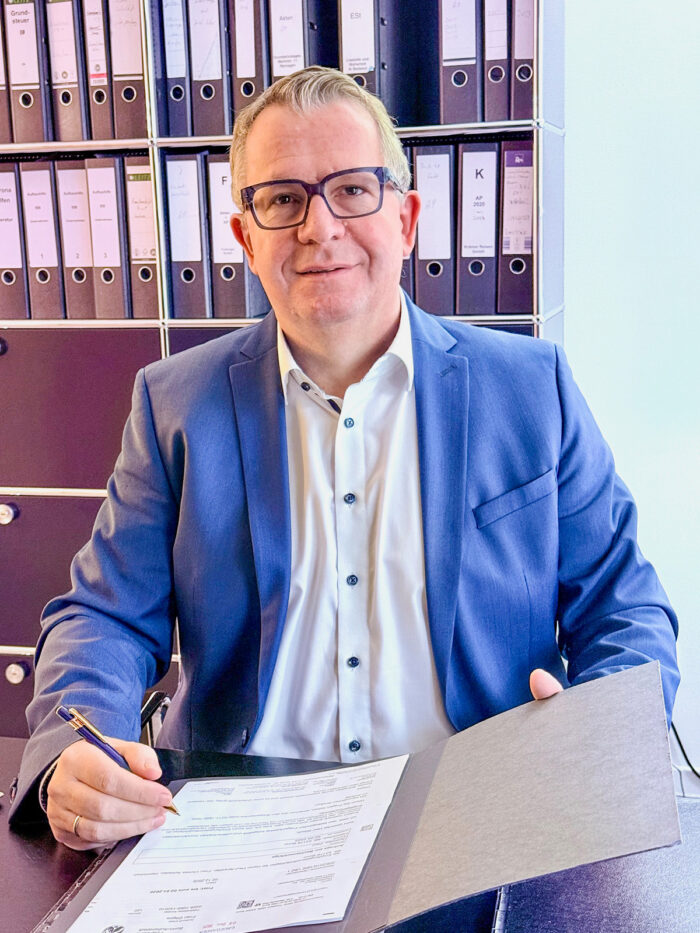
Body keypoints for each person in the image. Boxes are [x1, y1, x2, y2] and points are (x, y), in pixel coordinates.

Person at [10, 67, 679, 852]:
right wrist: (74, 752)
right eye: (282, 199)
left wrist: (596, 737)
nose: (319, 228)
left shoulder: (533, 389)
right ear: (245, 240)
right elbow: (104, 614)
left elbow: (626, 607)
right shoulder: (174, 404)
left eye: (353, 190)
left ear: (407, 218)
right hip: (239, 822)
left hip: (478, 813)